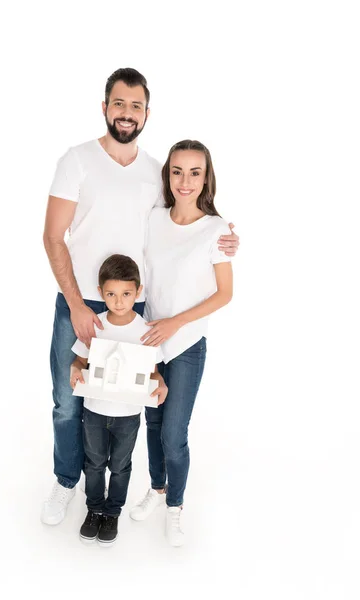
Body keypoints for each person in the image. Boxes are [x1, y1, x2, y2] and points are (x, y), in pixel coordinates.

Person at [42, 67, 240, 525]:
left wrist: (226, 239)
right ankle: (66, 481)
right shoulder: (77, 160)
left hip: (134, 310)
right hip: (80, 301)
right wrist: (75, 304)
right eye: (119, 103)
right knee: (67, 399)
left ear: (146, 113)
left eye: (136, 106)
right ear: (105, 107)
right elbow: (53, 237)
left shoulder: (156, 172)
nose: (127, 113)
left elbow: (184, 223)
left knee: (131, 401)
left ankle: (128, 491)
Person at [129, 140, 233, 547]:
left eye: (194, 172)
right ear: (167, 175)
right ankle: (156, 490)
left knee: (174, 433)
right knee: (151, 424)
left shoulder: (217, 230)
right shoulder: (153, 219)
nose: (184, 181)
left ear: (206, 177)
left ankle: (176, 506)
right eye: (177, 171)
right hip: (151, 342)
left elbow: (224, 294)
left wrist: (175, 323)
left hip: (187, 345)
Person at [69, 254, 166, 545]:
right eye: (111, 294)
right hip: (95, 409)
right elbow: (79, 360)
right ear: (101, 293)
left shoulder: (145, 330)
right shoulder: (94, 324)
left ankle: (113, 512)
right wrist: (75, 369)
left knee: (121, 465)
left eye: (126, 294)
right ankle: (94, 508)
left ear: (138, 292)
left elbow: (153, 371)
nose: (119, 301)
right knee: (94, 462)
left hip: (128, 414)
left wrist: (160, 383)